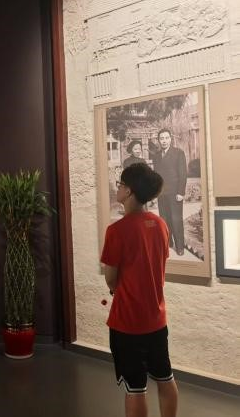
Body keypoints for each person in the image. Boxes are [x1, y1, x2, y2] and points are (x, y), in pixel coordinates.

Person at [101, 163, 178, 417]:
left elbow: (111, 279)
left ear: (129, 191)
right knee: (165, 377)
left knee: (135, 388)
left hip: (127, 322)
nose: (118, 188)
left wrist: (117, 288)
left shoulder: (116, 231)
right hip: (156, 319)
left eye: (120, 184)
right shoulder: (161, 225)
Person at [151, 128, 187, 256]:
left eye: (166, 138)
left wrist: (181, 192)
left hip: (175, 193)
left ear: (170, 139)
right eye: (161, 138)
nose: (164, 141)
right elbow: (156, 176)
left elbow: (183, 174)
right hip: (162, 193)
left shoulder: (178, 153)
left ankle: (180, 246)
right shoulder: (156, 156)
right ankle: (168, 243)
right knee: (164, 219)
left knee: (176, 219)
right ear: (158, 140)